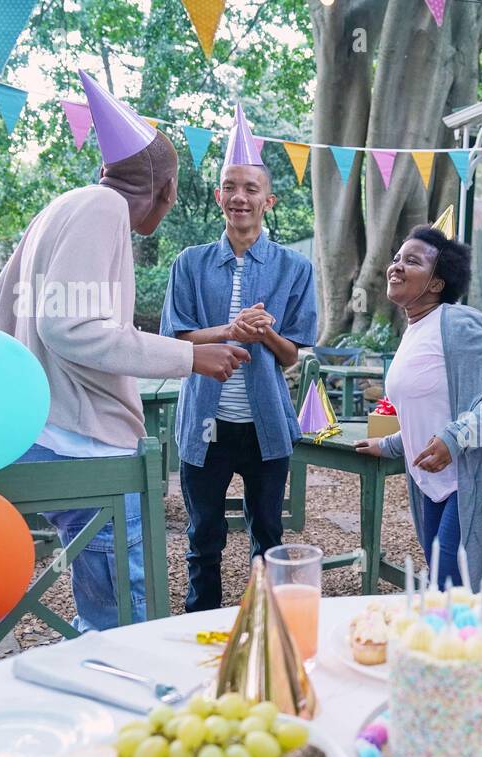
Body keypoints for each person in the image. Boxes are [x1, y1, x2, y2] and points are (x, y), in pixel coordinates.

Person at [0, 70, 247, 633]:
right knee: (127, 609)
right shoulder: (103, 210)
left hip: (38, 434)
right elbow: (72, 327)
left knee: (103, 593)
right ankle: (125, 693)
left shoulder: (57, 209)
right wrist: (190, 359)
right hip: (85, 447)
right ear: (168, 191)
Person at [160, 104, 317, 612]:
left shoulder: (295, 268)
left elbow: (292, 354)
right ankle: (197, 622)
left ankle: (267, 626)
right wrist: (231, 328)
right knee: (202, 535)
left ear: (268, 200)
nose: (240, 197)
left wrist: (265, 332)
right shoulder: (190, 263)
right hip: (205, 423)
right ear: (218, 196)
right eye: (231, 186)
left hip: (265, 423)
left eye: (251, 188)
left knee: (268, 534)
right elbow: (177, 339)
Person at [354, 213, 482, 589]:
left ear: (436, 283)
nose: (397, 267)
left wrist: (456, 439)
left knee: (449, 581)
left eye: (412, 261)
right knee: (447, 580)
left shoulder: (459, 322)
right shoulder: (413, 330)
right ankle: (461, 644)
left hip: (476, 474)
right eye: (398, 258)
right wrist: (387, 445)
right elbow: (430, 414)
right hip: (435, 480)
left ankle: (468, 647)